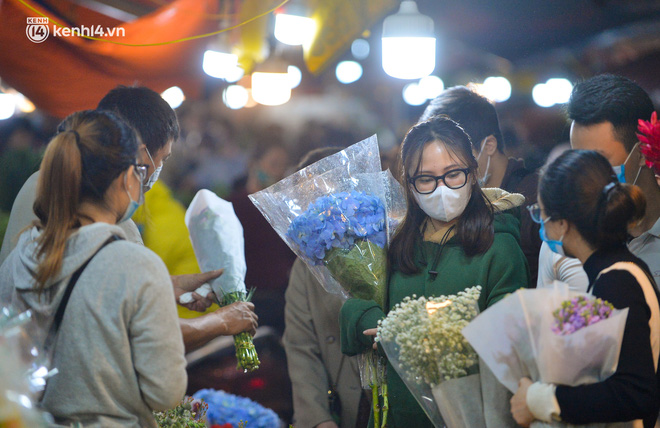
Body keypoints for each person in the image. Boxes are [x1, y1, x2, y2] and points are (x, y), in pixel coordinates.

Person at [0, 85, 258, 351]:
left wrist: (163, 286)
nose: (150, 177)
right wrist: (220, 322)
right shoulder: (108, 239)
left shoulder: (40, 217)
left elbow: (91, 290)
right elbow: (149, 339)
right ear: (136, 163)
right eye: (161, 160)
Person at [0, 110, 187, 427]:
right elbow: (165, 392)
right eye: (139, 172)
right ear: (127, 177)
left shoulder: (18, 257)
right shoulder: (137, 266)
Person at [340, 116, 530, 427]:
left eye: (453, 174)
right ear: (408, 183)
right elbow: (356, 306)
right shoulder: (396, 243)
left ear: (473, 172)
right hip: (401, 414)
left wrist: (415, 335)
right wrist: (374, 323)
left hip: (473, 417)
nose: (442, 189)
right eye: (426, 179)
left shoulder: (499, 247)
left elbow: (509, 340)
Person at [511, 149, 660, 427]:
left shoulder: (617, 280)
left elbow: (637, 393)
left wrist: (542, 399)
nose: (540, 224)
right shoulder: (615, 270)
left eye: (539, 213)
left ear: (562, 224)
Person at [537, 74, 660, 290]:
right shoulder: (564, 237)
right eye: (577, 159)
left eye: (598, 160)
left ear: (642, 153)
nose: (583, 174)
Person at [420, 86, 541, 286]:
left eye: (454, 158)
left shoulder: (535, 198)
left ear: (489, 145)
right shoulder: (452, 204)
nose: (443, 176)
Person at [283, 147, 367, 428]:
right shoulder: (306, 268)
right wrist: (318, 419)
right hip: (346, 407)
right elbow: (301, 347)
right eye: (309, 202)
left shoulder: (387, 243)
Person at [229, 141, 295, 334]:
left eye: (284, 166)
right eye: (274, 164)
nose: (279, 172)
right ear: (253, 164)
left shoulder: (286, 208)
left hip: (282, 301)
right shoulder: (233, 206)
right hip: (248, 303)